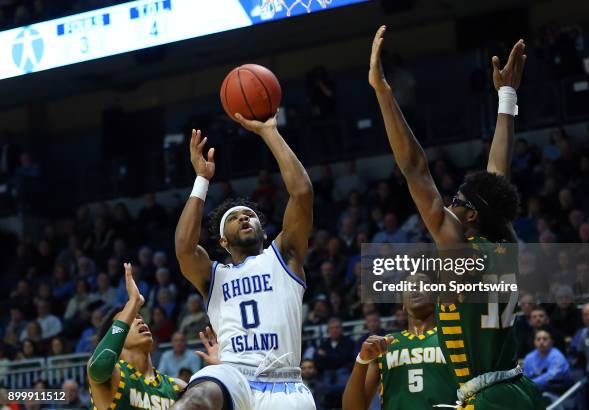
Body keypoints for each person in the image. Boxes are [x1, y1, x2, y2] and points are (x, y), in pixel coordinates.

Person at [369, 26, 544, 408]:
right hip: (518, 389)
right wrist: (507, 96)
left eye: (456, 202)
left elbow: (415, 169)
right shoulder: (503, 242)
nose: (448, 206)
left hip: (490, 398)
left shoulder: (461, 251)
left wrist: (383, 93)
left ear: (469, 216)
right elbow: (498, 171)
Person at [174, 116, 315, 409]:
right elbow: (184, 248)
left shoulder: (283, 257)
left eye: (249, 215)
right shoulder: (214, 276)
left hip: (284, 384)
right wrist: (202, 180)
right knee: (197, 395)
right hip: (233, 373)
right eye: (235, 218)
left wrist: (270, 132)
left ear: (263, 230)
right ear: (223, 242)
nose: (244, 217)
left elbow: (301, 194)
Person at [342, 274, 456, 410]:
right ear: (402, 304)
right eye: (408, 286)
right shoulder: (384, 345)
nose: (414, 287)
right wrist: (361, 361)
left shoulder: (452, 338)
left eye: (422, 283)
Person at [87, 263, 185, 410]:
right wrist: (133, 301)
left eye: (139, 316)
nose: (139, 320)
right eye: (129, 319)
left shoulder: (177, 387)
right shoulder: (113, 376)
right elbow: (101, 363)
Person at [523, 330, 571, 400]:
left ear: (551, 342)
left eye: (545, 339)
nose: (541, 342)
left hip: (558, 390)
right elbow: (525, 377)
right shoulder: (529, 357)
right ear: (534, 342)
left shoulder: (557, 356)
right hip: (536, 389)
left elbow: (551, 376)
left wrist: (531, 384)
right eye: (538, 339)